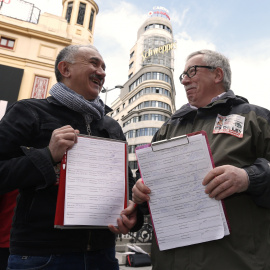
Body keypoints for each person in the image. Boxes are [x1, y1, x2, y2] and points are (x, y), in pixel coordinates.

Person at [0, 44, 143, 270]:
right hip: (41, 257)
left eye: (104, 67)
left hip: (102, 255)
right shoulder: (28, 112)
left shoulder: (111, 126)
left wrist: (133, 217)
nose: (102, 72)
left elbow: (127, 185)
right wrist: (47, 155)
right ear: (65, 69)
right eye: (94, 63)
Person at [132, 49, 270, 270]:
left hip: (235, 262)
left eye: (192, 71)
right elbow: (144, 179)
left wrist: (248, 178)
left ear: (217, 75)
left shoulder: (256, 119)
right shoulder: (168, 128)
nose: (185, 80)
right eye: (183, 75)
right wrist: (139, 191)